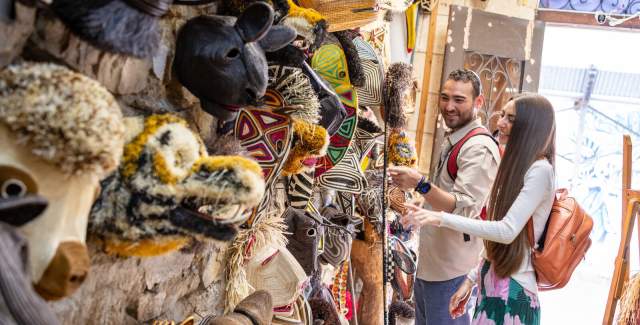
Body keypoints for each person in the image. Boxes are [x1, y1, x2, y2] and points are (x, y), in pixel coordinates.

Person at [402, 94, 557, 325]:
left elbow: (506, 231)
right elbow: (500, 239)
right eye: (502, 115)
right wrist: (471, 279)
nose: (501, 123)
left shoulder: (540, 170)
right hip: (492, 286)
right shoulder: (517, 167)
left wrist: (440, 218)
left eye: (511, 119)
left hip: (513, 296)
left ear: (531, 126)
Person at [389, 69, 501, 324]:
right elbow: (446, 195)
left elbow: (463, 209)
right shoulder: (456, 138)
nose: (449, 106)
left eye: (459, 100)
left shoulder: (479, 148)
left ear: (478, 103)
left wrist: (420, 184)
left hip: (452, 272)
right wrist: (420, 207)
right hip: (432, 266)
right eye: (445, 97)